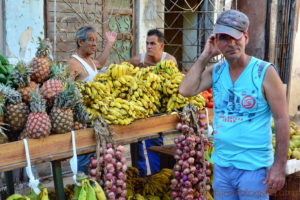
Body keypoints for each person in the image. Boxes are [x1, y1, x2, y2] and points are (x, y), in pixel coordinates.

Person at [179, 10, 289, 199]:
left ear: (245, 37)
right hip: (223, 167)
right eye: (223, 38)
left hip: (254, 169)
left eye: (235, 37)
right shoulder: (217, 71)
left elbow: (281, 119)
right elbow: (185, 90)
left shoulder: (264, 72)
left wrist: (279, 166)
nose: (230, 43)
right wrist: (206, 54)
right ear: (216, 41)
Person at [68, 26, 117, 174]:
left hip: (95, 120)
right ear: (80, 42)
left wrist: (109, 43)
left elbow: (100, 63)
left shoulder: (89, 61)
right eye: (90, 40)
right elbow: (66, 89)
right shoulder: (74, 63)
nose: (94, 44)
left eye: (96, 40)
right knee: (85, 160)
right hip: (83, 121)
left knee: (96, 160)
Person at [129, 29, 177, 177]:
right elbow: (124, 75)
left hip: (158, 109)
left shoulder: (169, 61)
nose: (149, 46)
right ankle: (140, 175)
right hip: (139, 107)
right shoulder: (138, 60)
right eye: (147, 43)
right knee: (136, 142)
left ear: (161, 46)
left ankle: (157, 175)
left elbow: (175, 83)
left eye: (152, 44)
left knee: (154, 142)